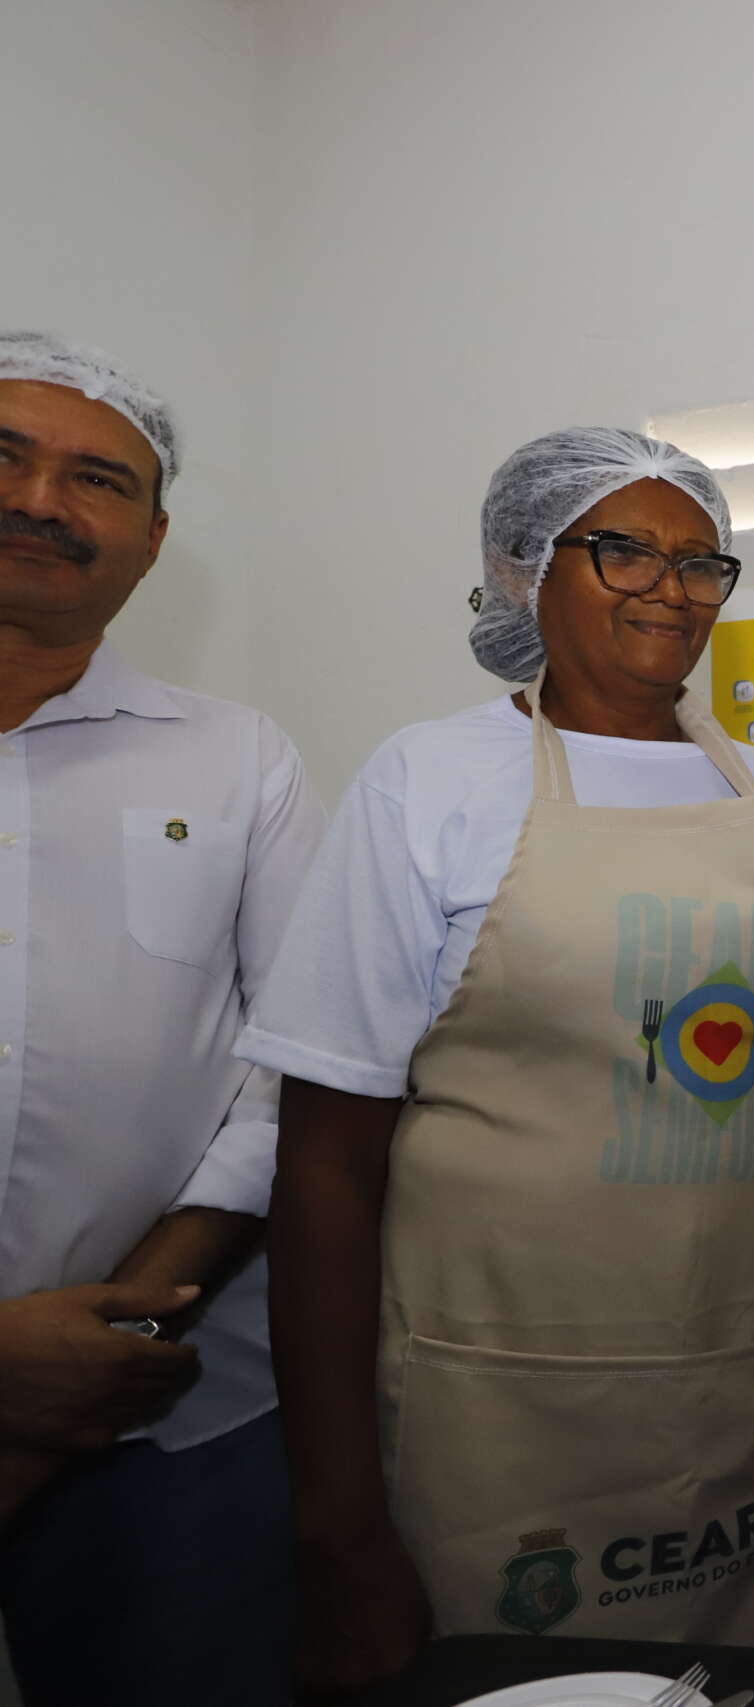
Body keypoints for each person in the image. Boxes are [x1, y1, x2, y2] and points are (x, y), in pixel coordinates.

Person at [245, 429, 754, 1691]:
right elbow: (323, 1165)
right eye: (622, 547)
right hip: (514, 1418)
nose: (668, 587)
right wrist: (337, 1522)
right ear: (528, 569)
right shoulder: (431, 783)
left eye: (700, 561)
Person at [0, 332, 324, 1706]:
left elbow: (292, 1069)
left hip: (174, 1417)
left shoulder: (235, 756)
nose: (44, 502)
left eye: (97, 479)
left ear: (151, 538)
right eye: (8, 460)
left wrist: (122, 1336)